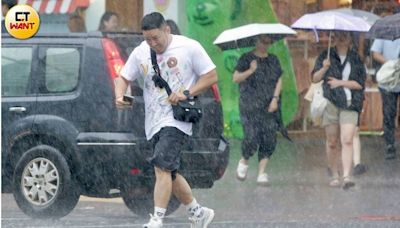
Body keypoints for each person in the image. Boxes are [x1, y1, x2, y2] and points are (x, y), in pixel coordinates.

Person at [115, 12, 217, 228]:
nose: (152, 43)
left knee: (162, 166)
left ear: (167, 30)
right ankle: (197, 212)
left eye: (156, 38)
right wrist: (119, 95)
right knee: (168, 172)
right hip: (153, 121)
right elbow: (123, 77)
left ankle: (156, 219)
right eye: (147, 39)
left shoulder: (189, 47)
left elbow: (211, 75)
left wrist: (187, 93)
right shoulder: (141, 51)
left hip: (177, 119)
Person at [312, 31, 366, 189]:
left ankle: (347, 176)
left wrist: (341, 83)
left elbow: (359, 84)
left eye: (345, 36)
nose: (342, 39)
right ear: (333, 38)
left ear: (350, 39)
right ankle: (334, 174)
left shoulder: (355, 58)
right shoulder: (326, 55)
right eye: (339, 35)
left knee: (348, 139)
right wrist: (323, 68)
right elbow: (315, 78)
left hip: (350, 104)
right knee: (332, 142)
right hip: (331, 102)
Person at [234, 35, 282, 186]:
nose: (265, 45)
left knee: (269, 137)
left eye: (268, 42)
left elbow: (279, 79)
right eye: (263, 41)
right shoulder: (246, 58)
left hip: (268, 105)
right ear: (256, 41)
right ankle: (244, 159)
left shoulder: (273, 60)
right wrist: (250, 70)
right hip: (249, 105)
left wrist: (275, 98)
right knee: (252, 135)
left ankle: (262, 172)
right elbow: (236, 78)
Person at [370, 37, 400, 160]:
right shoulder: (386, 34)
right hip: (388, 80)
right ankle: (390, 144)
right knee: (389, 113)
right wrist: (391, 64)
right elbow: (375, 53)